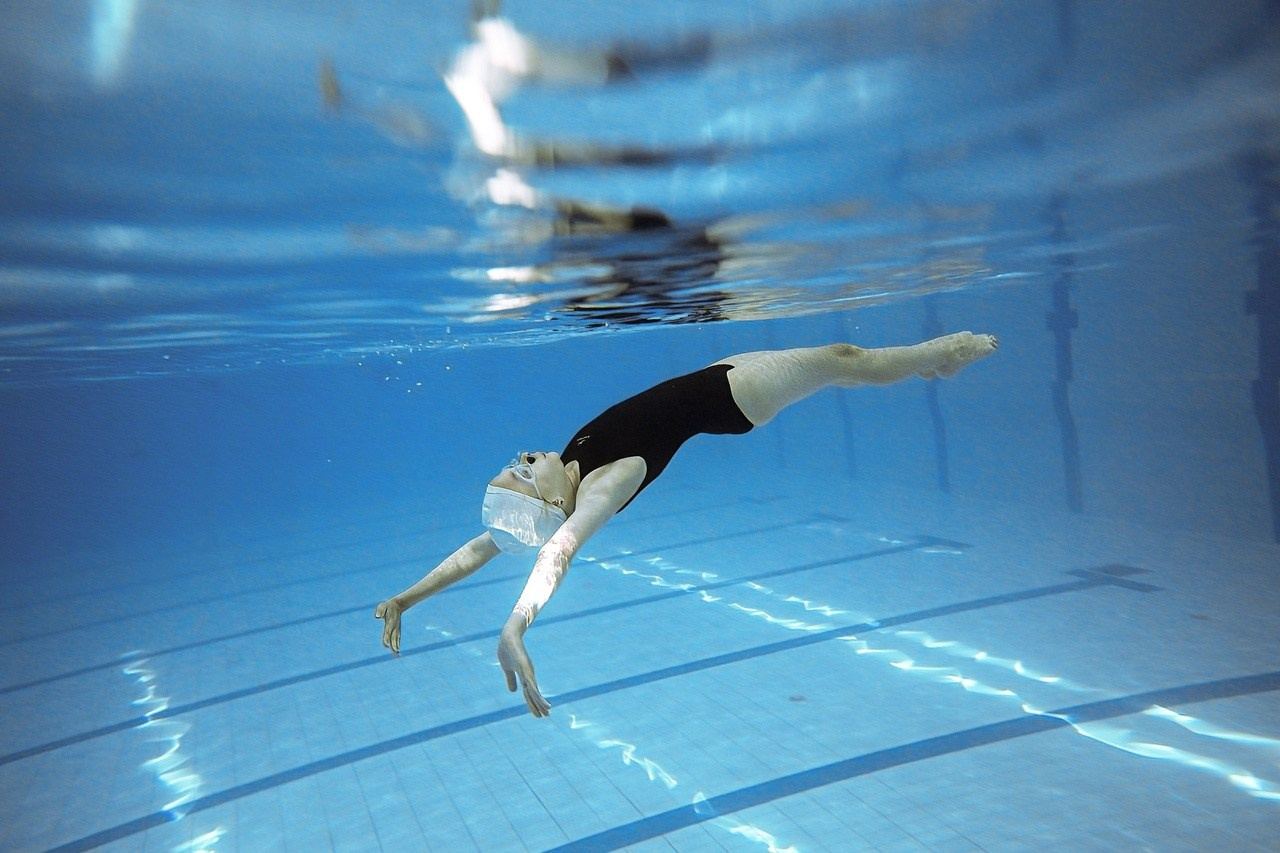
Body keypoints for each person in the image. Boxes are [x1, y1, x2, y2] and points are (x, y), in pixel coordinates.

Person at [375, 331, 998, 717]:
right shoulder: (600, 486)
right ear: (548, 501)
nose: (520, 460)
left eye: (511, 466)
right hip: (732, 399)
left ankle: (928, 362)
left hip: (710, 377)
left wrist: (406, 597)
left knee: (840, 360)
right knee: (843, 358)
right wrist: (516, 625)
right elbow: (557, 552)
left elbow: (481, 549)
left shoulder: (565, 466)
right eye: (520, 475)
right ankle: (934, 360)